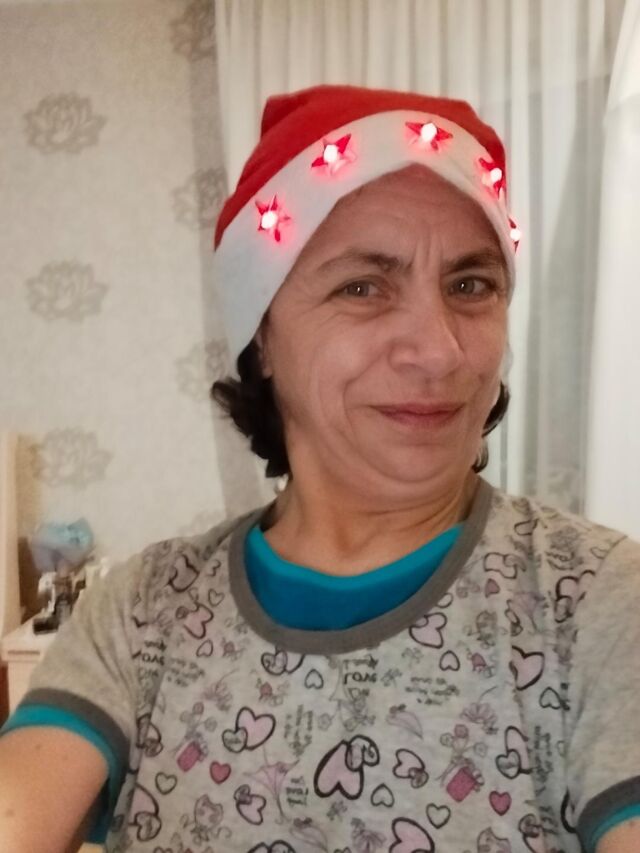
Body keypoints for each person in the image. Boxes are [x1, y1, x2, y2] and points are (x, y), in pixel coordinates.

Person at [1, 84, 638, 853]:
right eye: (362, 287)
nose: (439, 352)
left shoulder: (598, 601)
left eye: (471, 285)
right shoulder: (142, 614)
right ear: (262, 335)